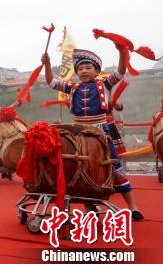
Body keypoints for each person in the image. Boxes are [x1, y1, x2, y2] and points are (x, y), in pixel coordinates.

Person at [42, 47, 144, 221]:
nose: (84, 71)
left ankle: (133, 207)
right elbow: (51, 82)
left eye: (88, 67)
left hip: (101, 132)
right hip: (79, 133)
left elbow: (120, 72)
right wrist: (48, 64)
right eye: (80, 69)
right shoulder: (72, 88)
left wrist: (121, 53)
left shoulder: (104, 84)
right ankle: (90, 206)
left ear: (97, 71)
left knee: (115, 167)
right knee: (82, 168)